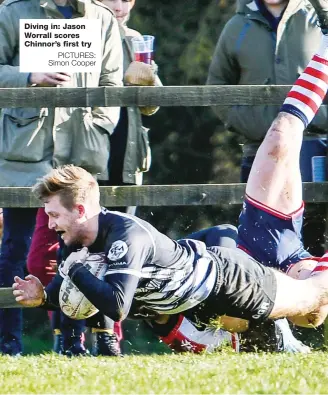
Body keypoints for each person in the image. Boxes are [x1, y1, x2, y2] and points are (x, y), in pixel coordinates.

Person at [12, 0, 328, 344]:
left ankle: (274, 331)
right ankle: (270, 335)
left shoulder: (126, 234)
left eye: (54, 215)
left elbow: (117, 304)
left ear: (82, 210)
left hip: (230, 279)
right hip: (236, 272)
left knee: (309, 299)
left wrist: (76, 273)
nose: (51, 223)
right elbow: (72, 286)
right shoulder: (78, 242)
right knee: (280, 136)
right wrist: (43, 295)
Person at [26, 0, 161, 356]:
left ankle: (108, 336)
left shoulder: (136, 42)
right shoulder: (73, 29)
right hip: (84, 152)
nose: (114, 5)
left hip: (124, 158)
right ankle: (69, 338)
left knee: (118, 254)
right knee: (72, 248)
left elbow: (152, 105)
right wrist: (96, 124)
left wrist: (146, 84)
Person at [0, 0, 123, 355]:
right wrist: (29, 77)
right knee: (14, 249)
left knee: (81, 248)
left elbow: (111, 81)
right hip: (23, 150)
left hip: (79, 150)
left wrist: (99, 124)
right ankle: (9, 344)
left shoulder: (100, 17)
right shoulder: (13, 12)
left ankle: (72, 341)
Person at [206, 0, 327, 257]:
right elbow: (216, 86)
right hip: (256, 148)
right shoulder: (236, 25)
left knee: (315, 232)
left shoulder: (317, 19)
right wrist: (250, 123)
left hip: (314, 145)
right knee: (260, 238)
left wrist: (320, 118)